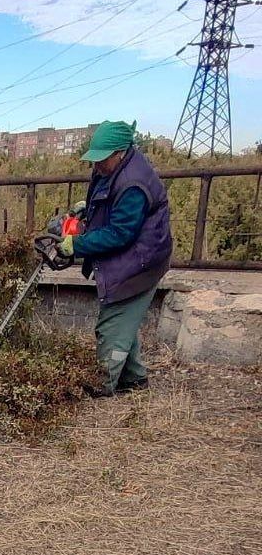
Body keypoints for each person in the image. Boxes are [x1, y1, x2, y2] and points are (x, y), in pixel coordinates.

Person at [59, 120, 173, 397]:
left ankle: (103, 382)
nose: (97, 165)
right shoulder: (114, 168)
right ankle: (134, 379)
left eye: (102, 159)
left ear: (120, 152)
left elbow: (120, 233)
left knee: (111, 323)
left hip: (141, 261)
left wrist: (77, 244)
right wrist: (90, 207)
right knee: (126, 321)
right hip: (135, 256)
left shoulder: (134, 182)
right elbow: (111, 201)